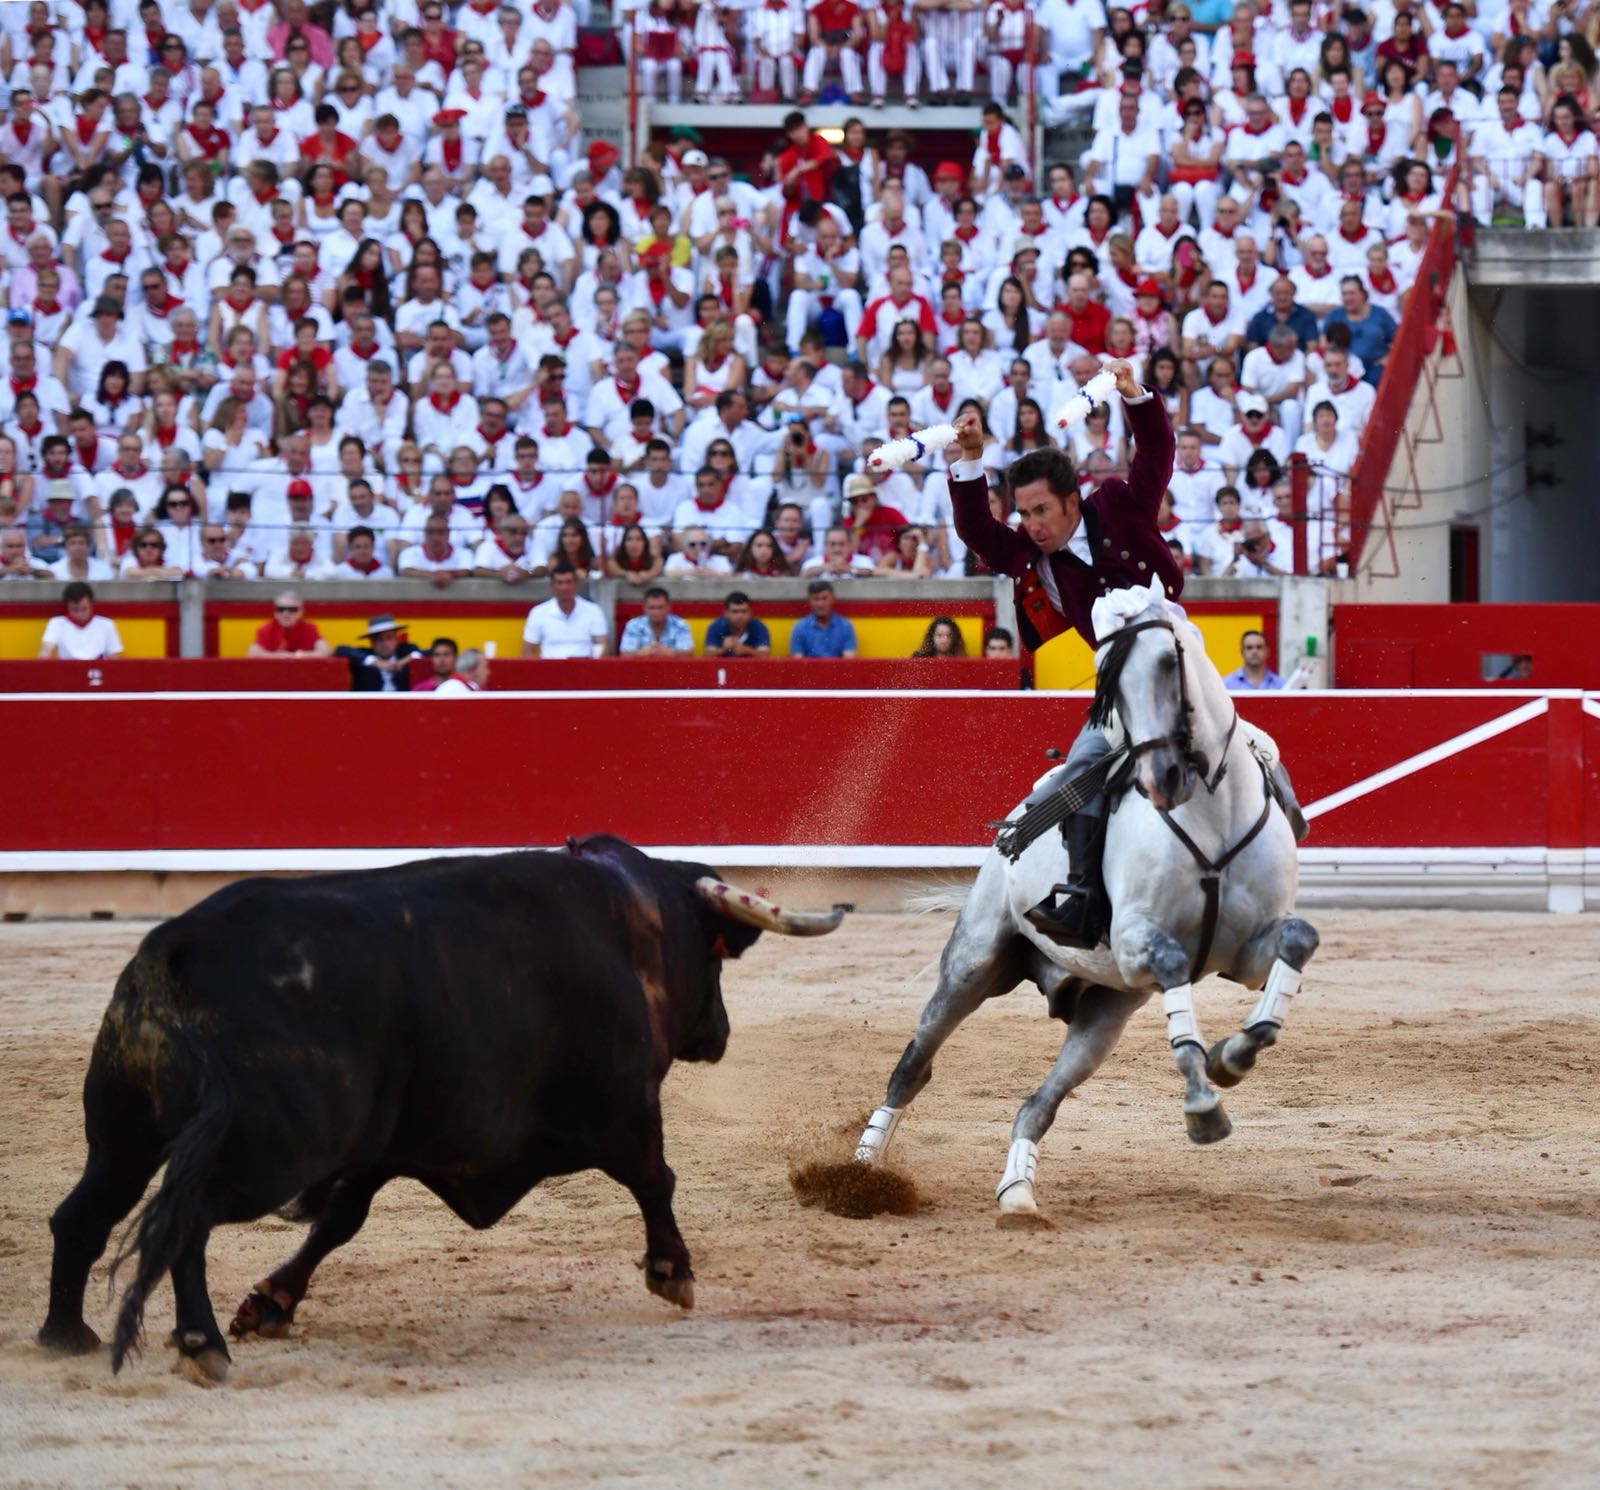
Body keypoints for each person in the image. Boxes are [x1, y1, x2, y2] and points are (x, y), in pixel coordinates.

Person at [946, 358, 1306, 948]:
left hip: (1179, 664)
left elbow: (1156, 454)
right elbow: (976, 531)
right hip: (1119, 694)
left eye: (1041, 511)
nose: (1031, 525)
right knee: (1080, 773)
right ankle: (1084, 897)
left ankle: (1284, 837)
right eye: (1023, 513)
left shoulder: (1115, 503)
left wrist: (1133, 392)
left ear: (1069, 502)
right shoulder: (1030, 561)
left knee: (1254, 745)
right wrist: (969, 457)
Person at [521, 561, 609, 658]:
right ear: (552, 586)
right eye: (560, 583)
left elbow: (603, 646)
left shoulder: (593, 610)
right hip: (550, 669)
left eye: (568, 582)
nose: (564, 588)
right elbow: (527, 651)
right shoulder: (538, 612)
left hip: (584, 669)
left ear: (576, 584)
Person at [335, 614, 422, 691]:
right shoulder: (364, 655)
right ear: (371, 643)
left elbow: (425, 652)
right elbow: (340, 650)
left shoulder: (405, 650)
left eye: (389, 638)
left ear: (396, 639)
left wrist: (404, 661)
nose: (384, 643)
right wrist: (375, 662)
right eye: (378, 639)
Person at [38, 583, 123, 660]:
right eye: (74, 609)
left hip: (97, 672)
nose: (80, 614)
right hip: (67, 672)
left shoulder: (106, 624)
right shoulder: (56, 623)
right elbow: (44, 653)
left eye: (84, 609)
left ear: (91, 605)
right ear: (67, 606)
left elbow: (114, 658)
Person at [248, 592, 332, 658]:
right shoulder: (267, 629)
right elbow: (252, 653)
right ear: (275, 613)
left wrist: (300, 656)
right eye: (281, 609)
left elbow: (326, 650)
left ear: (300, 612)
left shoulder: (308, 628)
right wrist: (277, 657)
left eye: (292, 609)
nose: (286, 614)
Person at [789, 579, 858, 658]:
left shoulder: (845, 626)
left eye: (824, 598)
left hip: (837, 670)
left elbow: (848, 662)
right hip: (808, 670)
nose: (820, 604)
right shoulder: (800, 627)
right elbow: (797, 663)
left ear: (832, 599)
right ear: (809, 601)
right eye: (816, 599)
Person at [619, 586, 695, 656]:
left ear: (668, 607)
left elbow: (688, 653)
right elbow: (625, 653)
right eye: (651, 608)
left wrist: (669, 653)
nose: (656, 612)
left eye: (660, 607)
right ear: (644, 608)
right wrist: (643, 653)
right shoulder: (634, 625)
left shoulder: (680, 624)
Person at [704, 590, 772, 656]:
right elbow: (708, 654)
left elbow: (765, 654)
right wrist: (723, 649)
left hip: (752, 667)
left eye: (743, 611)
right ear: (726, 613)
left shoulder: (759, 627)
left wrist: (746, 650)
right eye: (735, 611)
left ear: (750, 612)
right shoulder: (716, 627)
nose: (739, 616)